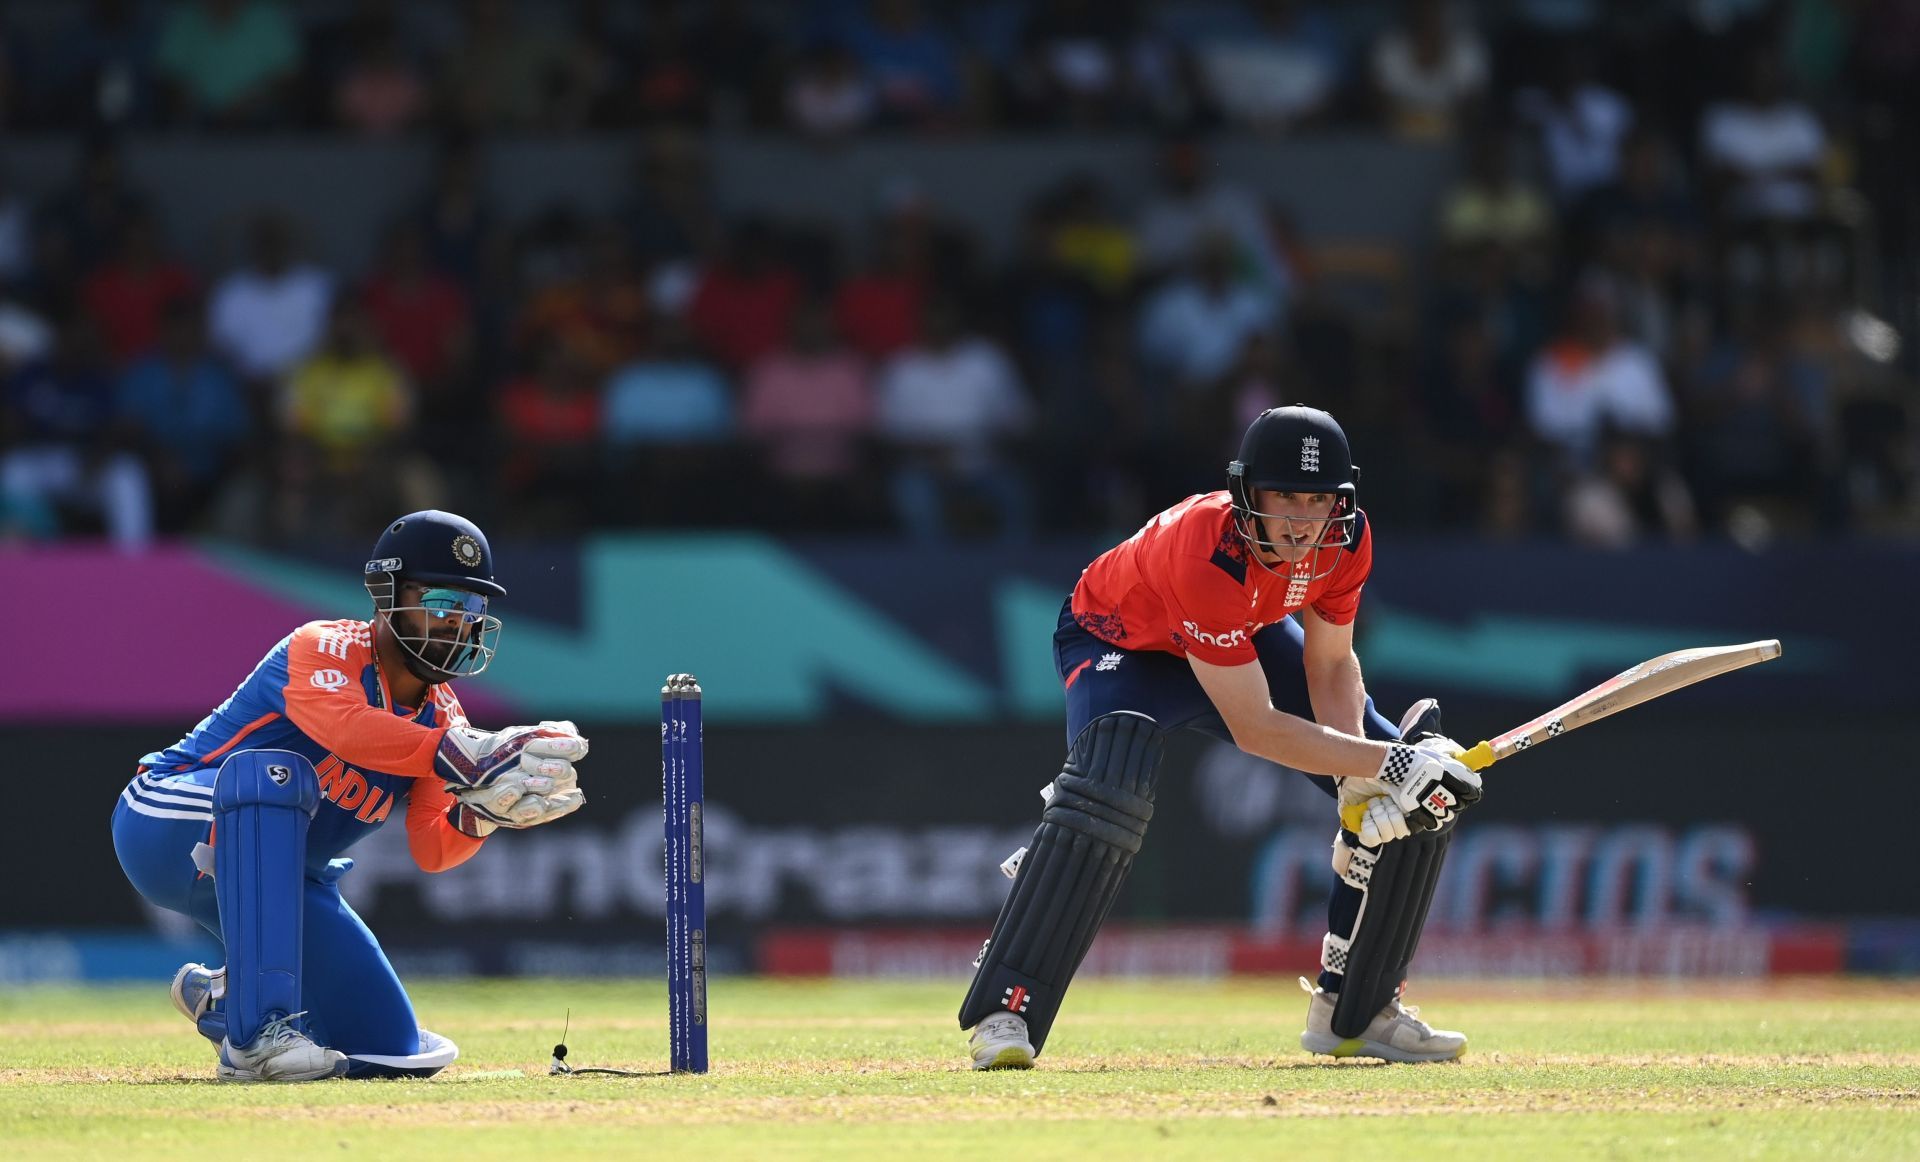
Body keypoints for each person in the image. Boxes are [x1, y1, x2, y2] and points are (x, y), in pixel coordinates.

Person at [960, 405, 1485, 1069]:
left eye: (1318, 500)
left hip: (1246, 636)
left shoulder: (1347, 541)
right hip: (1128, 644)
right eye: (1285, 497)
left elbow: (1329, 666)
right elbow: (1258, 728)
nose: (1301, 520)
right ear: (1246, 495)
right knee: (1108, 787)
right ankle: (1007, 1011)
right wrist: (1393, 760)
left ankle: (1357, 1011)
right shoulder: (1204, 549)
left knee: (1421, 802)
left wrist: (1367, 782)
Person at [110, 510, 589, 1082]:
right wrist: (465, 754)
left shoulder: (443, 720)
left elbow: (432, 849)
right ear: (387, 593)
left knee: (395, 1050)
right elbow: (347, 729)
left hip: (283, 879)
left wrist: (482, 813)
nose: (457, 624)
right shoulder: (322, 647)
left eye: (472, 609)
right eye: (440, 600)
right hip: (168, 820)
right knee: (273, 784)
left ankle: (227, 995)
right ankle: (253, 1040)